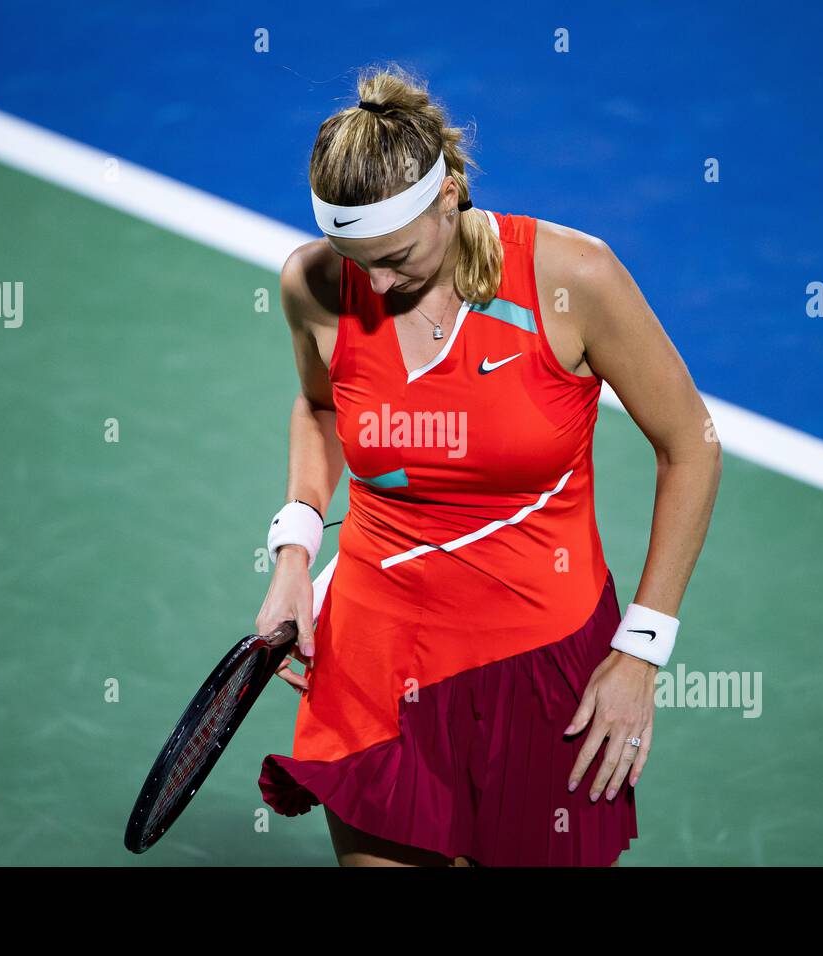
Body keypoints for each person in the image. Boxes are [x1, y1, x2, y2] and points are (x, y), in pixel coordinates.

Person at [256, 64, 722, 867]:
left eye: (395, 257)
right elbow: (323, 407)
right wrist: (295, 553)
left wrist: (642, 648)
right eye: (353, 256)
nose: (374, 282)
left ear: (449, 200)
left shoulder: (573, 279)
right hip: (374, 654)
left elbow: (692, 444)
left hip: (542, 663)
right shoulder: (317, 285)